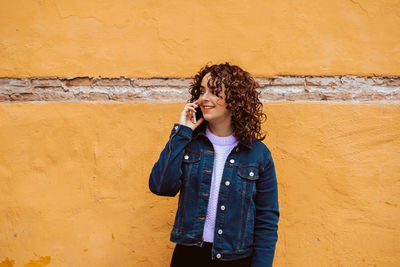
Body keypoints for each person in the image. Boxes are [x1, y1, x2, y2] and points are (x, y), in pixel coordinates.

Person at [149, 62, 279, 267]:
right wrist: (182, 132)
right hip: (189, 257)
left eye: (215, 92)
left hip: (236, 259)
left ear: (235, 100)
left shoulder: (258, 155)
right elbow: (161, 186)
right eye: (202, 91)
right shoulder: (189, 143)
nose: (204, 99)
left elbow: (266, 220)